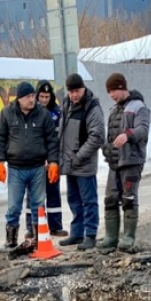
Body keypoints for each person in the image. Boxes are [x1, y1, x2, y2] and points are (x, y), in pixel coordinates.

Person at [0, 81, 59, 249]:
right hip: (16, 168)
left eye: (33, 96)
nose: (32, 100)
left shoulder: (42, 114)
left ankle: (39, 239)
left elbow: (51, 140)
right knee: (14, 205)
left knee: (38, 204)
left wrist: (53, 163)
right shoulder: (7, 114)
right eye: (28, 96)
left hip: (37, 167)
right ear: (20, 98)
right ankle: (11, 240)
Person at [99, 72, 150, 253]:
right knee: (110, 199)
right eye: (109, 92)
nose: (111, 95)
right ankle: (111, 237)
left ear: (122, 88)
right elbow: (111, 136)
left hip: (132, 161)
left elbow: (142, 130)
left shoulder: (138, 107)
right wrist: (106, 148)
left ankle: (128, 237)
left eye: (113, 90)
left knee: (128, 198)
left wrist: (128, 135)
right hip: (115, 163)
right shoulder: (114, 110)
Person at [58, 73, 105, 251]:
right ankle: (77, 233)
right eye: (71, 92)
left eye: (76, 91)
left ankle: (91, 235)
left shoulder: (92, 108)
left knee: (89, 201)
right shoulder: (66, 105)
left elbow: (98, 136)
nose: (74, 95)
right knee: (74, 201)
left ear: (83, 88)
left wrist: (79, 157)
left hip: (83, 165)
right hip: (70, 165)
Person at [23, 80, 67, 239]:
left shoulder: (57, 113)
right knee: (33, 195)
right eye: (41, 96)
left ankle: (56, 226)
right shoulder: (30, 112)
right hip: (35, 161)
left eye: (47, 96)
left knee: (53, 193)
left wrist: (53, 160)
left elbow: (58, 139)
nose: (44, 100)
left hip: (52, 160)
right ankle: (30, 227)